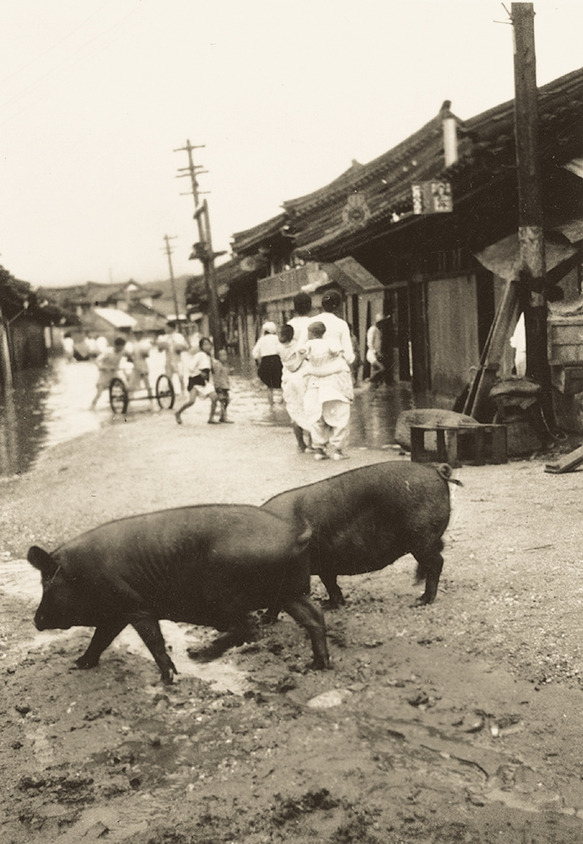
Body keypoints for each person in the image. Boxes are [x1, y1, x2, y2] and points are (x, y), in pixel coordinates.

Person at [303, 290, 355, 460]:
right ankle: (338, 450)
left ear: (321, 304)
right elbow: (349, 355)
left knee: (317, 411)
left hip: (314, 375)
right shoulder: (341, 324)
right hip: (336, 375)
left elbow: (302, 349)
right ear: (339, 305)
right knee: (340, 411)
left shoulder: (311, 322)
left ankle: (319, 449)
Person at [277, 323, 312, 452]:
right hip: (302, 379)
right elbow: (306, 356)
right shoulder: (299, 346)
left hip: (288, 381)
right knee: (309, 410)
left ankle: (300, 443)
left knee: (294, 412)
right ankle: (311, 443)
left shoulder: (278, 348)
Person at [174, 337, 218, 425]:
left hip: (205, 381)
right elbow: (190, 366)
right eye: (205, 344)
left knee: (214, 397)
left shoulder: (209, 357)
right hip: (195, 380)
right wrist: (199, 372)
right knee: (191, 401)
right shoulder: (199, 355)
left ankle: (211, 418)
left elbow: (213, 368)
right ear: (201, 347)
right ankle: (178, 413)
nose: (207, 346)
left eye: (208, 344)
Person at [89, 336, 128, 410]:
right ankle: (92, 406)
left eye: (123, 346)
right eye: (120, 347)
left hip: (114, 372)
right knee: (99, 392)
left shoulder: (122, 351)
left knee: (124, 387)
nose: (121, 348)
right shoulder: (108, 352)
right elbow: (97, 360)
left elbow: (129, 356)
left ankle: (123, 403)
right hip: (105, 373)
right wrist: (101, 367)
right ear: (116, 345)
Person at [252, 321, 283, 407]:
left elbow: (255, 353)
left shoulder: (261, 340)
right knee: (283, 383)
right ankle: (282, 402)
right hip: (277, 361)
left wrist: (258, 364)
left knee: (269, 386)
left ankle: (271, 406)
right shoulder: (277, 338)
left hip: (265, 362)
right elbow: (282, 350)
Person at [158, 323, 187, 394]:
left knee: (180, 376)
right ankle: (171, 391)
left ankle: (183, 390)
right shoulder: (164, 337)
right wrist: (162, 346)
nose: (166, 329)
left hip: (177, 359)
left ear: (171, 328)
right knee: (168, 376)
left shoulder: (178, 336)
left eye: (167, 327)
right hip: (168, 359)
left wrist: (178, 347)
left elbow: (184, 347)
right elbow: (160, 349)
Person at [125, 330, 153, 397]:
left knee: (145, 379)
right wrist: (129, 357)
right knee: (132, 381)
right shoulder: (133, 344)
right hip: (135, 363)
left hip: (142, 363)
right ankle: (130, 396)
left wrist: (145, 353)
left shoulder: (145, 343)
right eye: (136, 334)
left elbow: (147, 355)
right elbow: (129, 355)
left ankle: (150, 394)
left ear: (141, 335)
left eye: (139, 334)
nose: (137, 335)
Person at [210, 348, 233, 423]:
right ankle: (222, 417)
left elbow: (226, 376)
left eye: (225, 355)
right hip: (220, 387)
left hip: (225, 386)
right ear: (218, 357)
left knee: (227, 400)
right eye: (222, 355)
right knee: (223, 401)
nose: (224, 357)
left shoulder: (226, 365)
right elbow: (217, 376)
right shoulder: (218, 365)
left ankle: (222, 415)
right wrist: (217, 386)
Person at [366, 314, 385, 387]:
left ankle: (372, 385)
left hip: (376, 354)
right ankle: (369, 380)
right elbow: (369, 343)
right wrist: (376, 352)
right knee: (382, 368)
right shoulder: (373, 329)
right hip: (371, 355)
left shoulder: (378, 330)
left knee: (376, 372)